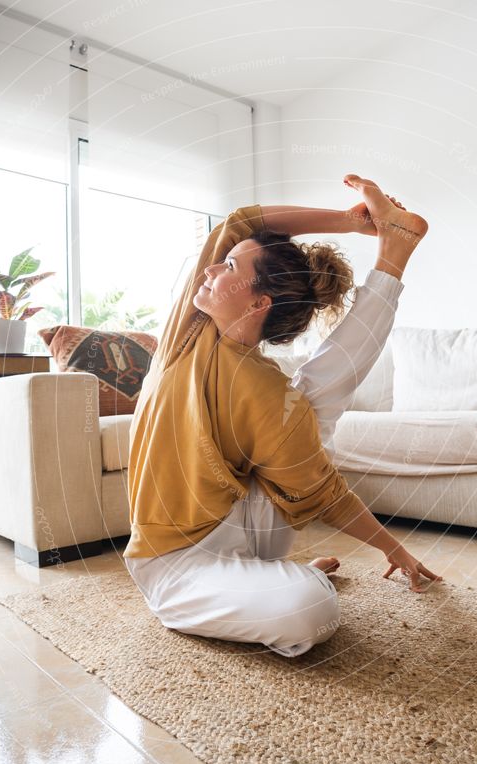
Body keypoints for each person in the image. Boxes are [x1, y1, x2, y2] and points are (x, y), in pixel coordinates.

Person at [122, 174, 442, 657]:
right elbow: (242, 221)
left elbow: (323, 492)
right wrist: (356, 223)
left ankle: (394, 258)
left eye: (228, 266)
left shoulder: (269, 391)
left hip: (246, 529)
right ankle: (272, 584)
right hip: (176, 564)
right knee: (311, 609)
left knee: (310, 403)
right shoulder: (186, 336)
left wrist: (391, 548)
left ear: (258, 302)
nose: (210, 269)